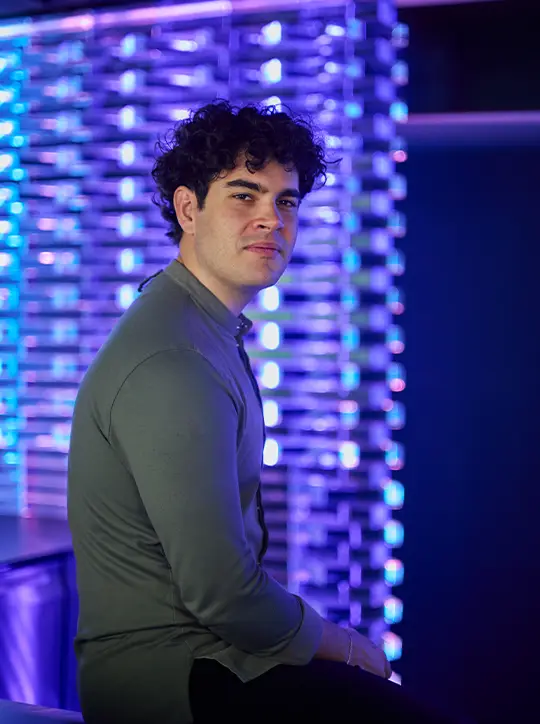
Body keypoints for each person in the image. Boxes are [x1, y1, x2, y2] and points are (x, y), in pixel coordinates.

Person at [67, 100, 466, 724]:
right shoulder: (175, 359)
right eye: (244, 195)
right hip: (174, 682)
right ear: (187, 209)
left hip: (218, 661)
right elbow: (223, 595)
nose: (270, 219)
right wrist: (347, 647)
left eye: (286, 201)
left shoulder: (200, 331)